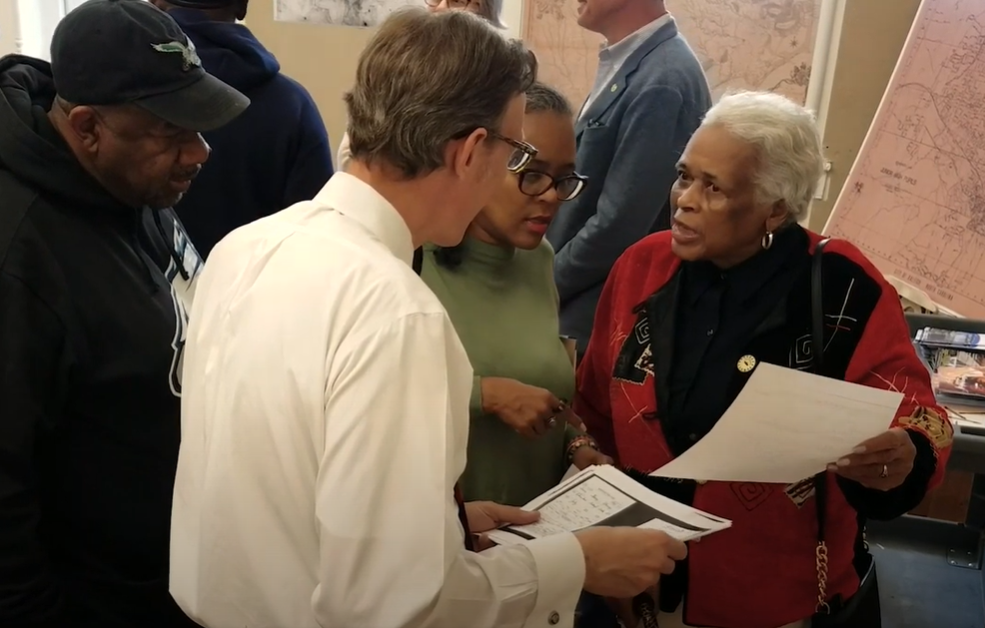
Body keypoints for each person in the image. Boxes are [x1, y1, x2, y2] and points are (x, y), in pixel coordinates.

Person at [169, 9, 685, 628]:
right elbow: (401, 606)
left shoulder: (243, 247)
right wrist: (573, 562)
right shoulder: (397, 309)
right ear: (471, 151)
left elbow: (281, 486)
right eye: (517, 152)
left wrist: (442, 526)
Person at [0, 1, 249, 626]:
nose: (199, 152)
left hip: (168, 576)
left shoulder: (129, 186)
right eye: (173, 132)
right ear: (88, 126)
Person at [575, 91, 953, 628]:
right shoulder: (641, 266)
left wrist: (903, 454)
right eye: (684, 176)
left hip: (774, 599)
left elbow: (919, 417)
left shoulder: (842, 285)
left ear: (775, 207)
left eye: (714, 188)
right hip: (638, 587)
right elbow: (592, 404)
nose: (683, 199)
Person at [421, 82, 611, 508]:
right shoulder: (414, 262)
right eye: (531, 174)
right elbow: (375, 398)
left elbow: (544, 386)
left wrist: (574, 444)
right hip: (452, 535)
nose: (550, 196)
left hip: (535, 532)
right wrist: (485, 395)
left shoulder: (539, 259)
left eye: (564, 180)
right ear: (477, 159)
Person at [544, 0, 710, 355]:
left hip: (595, 316)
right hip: (578, 302)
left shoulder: (662, 80)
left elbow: (618, 224)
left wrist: (542, 283)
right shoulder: (638, 62)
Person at [149, 0, 333, 256]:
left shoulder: (117, 96)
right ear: (242, 6)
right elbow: (315, 241)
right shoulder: (293, 106)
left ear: (152, 3)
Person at [334, 0, 504, 171]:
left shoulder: (501, 86)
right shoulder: (402, 63)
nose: (441, 6)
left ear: (486, 11)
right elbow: (351, 154)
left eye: (457, 1)